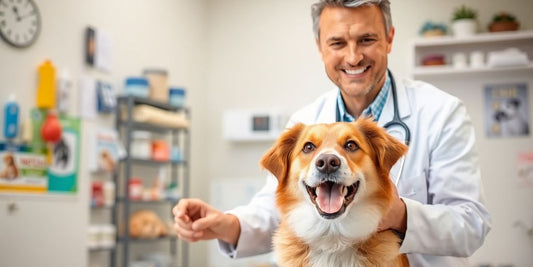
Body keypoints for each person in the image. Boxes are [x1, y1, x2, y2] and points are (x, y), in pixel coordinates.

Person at [173, 0, 492, 265]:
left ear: (389, 38)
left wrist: (399, 214)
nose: (353, 57)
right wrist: (226, 224)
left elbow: (471, 224)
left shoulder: (440, 112)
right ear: (320, 48)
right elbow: (278, 209)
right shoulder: (304, 121)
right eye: (338, 43)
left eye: (367, 40)